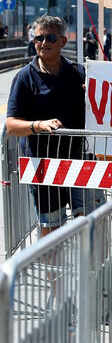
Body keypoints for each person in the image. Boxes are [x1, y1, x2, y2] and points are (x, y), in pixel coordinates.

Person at [6, 15, 89, 235]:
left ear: (63, 41)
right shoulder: (24, 78)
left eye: (50, 37)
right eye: (39, 38)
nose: (44, 43)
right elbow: (12, 125)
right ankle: (53, 271)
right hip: (43, 164)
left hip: (81, 161)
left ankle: (90, 269)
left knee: (89, 222)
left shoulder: (80, 73)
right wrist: (39, 125)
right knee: (51, 229)